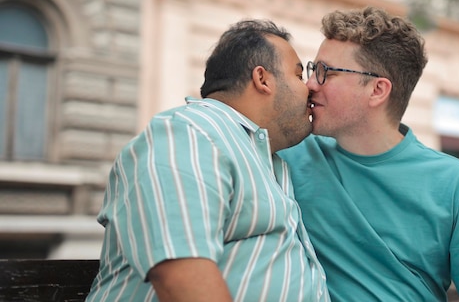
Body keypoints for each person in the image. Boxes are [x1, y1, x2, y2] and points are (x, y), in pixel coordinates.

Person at [278, 6, 459, 302]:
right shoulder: (288, 153)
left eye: (326, 73)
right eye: (313, 70)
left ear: (377, 90)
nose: (310, 84)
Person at [87, 19, 329, 302]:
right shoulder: (192, 133)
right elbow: (180, 275)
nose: (311, 87)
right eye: (299, 76)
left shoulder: (262, 157)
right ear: (262, 79)